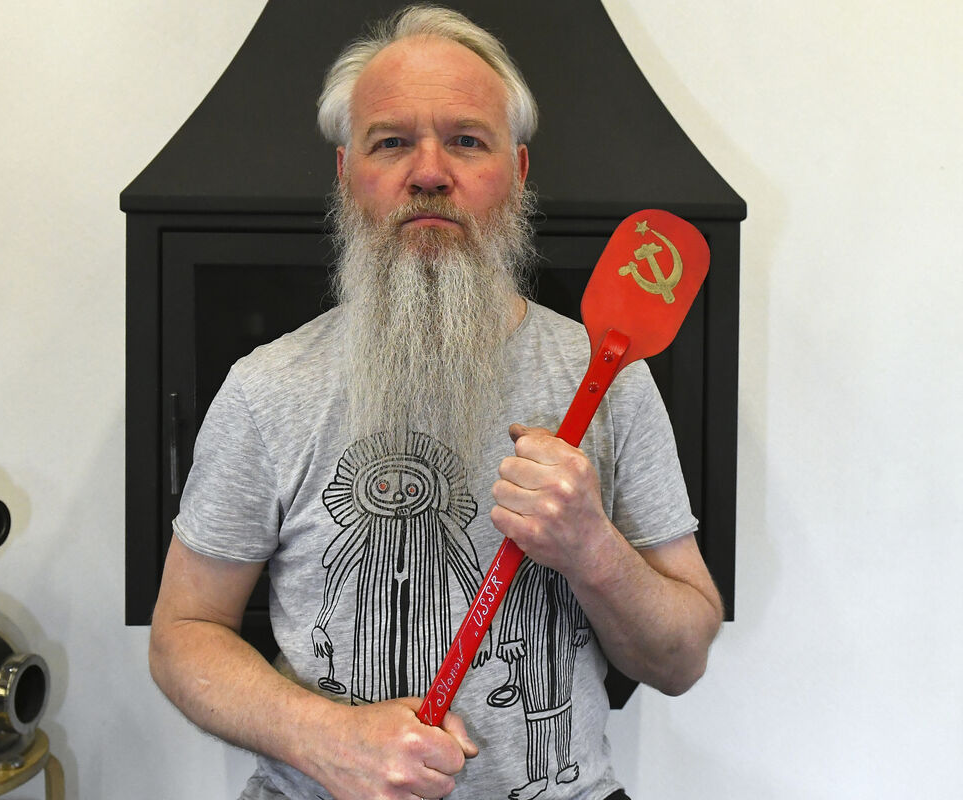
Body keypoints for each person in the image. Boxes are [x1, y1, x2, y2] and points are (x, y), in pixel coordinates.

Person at [149, 6, 723, 800]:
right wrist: (329, 740)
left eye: (466, 140)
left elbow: (681, 659)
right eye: (391, 142)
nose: (428, 172)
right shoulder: (266, 388)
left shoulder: (611, 377)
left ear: (517, 171)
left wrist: (592, 547)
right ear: (346, 172)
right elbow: (182, 636)